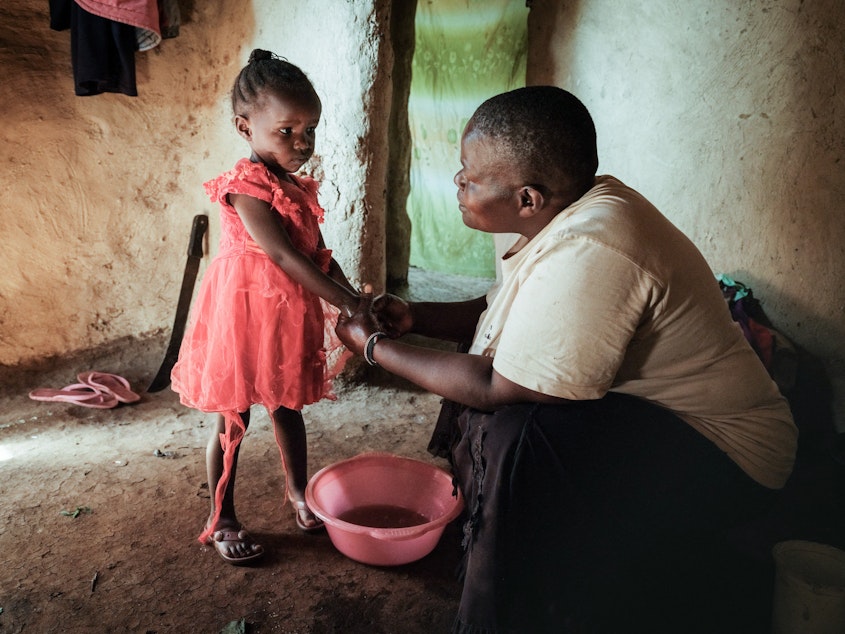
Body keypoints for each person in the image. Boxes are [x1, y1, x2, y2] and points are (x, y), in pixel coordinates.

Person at [335, 86, 798, 632]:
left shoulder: (596, 246)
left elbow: (494, 385)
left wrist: (375, 348)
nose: (459, 183)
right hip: (662, 422)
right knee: (489, 359)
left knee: (515, 431)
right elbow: (499, 314)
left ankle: (517, 602)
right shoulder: (571, 212)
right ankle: (510, 548)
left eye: (470, 175)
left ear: (529, 198)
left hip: (729, 458)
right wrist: (414, 318)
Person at [171, 49, 358, 565]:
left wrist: (355, 300)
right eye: (287, 131)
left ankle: (298, 492)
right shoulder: (244, 187)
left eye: (311, 129)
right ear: (244, 126)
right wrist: (341, 301)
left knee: (287, 407)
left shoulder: (298, 187)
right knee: (233, 420)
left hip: (286, 315)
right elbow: (279, 253)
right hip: (241, 315)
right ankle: (222, 516)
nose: (303, 143)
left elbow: (318, 253)